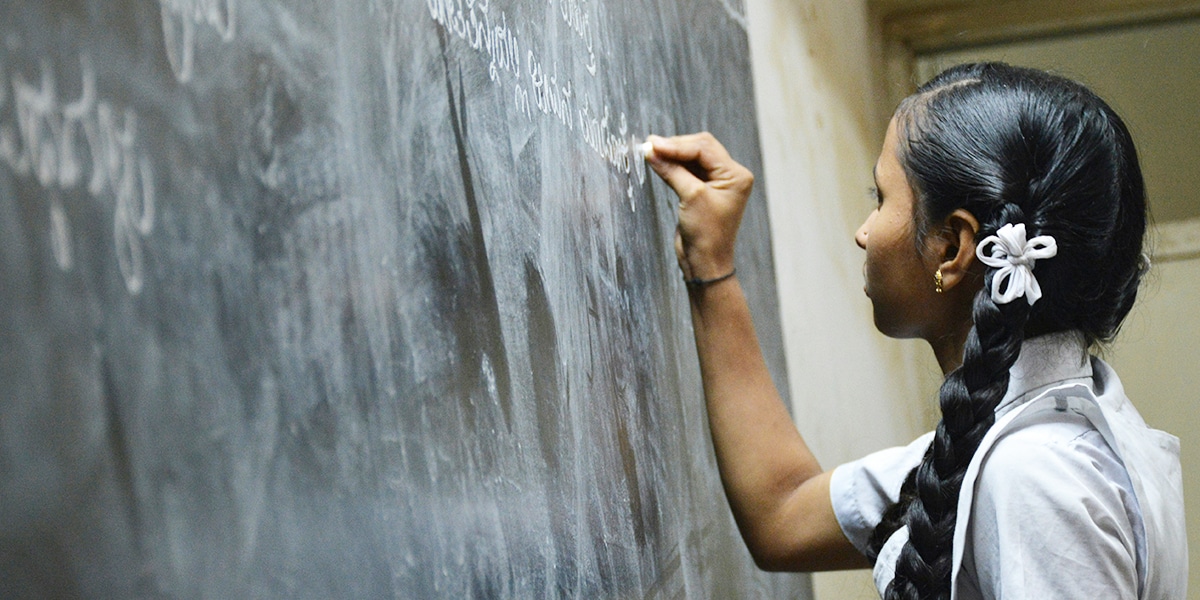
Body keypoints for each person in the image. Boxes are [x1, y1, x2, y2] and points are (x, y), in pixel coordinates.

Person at [643, 62, 1186, 599]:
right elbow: (783, 513)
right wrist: (709, 262)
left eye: (879, 198)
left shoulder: (1035, 474)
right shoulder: (1012, 436)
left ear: (950, 248)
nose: (863, 232)